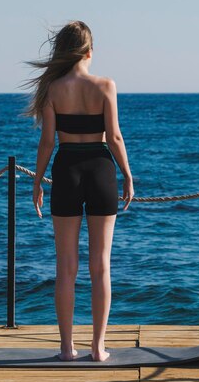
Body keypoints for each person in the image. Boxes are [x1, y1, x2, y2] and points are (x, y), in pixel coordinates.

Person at [19, 20, 134, 362]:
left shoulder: (53, 89)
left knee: (65, 266)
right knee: (101, 265)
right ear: (89, 51)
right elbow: (113, 137)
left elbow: (47, 141)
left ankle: (67, 348)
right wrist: (127, 175)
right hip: (100, 171)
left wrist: (37, 180)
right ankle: (98, 348)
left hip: (66, 170)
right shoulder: (105, 85)